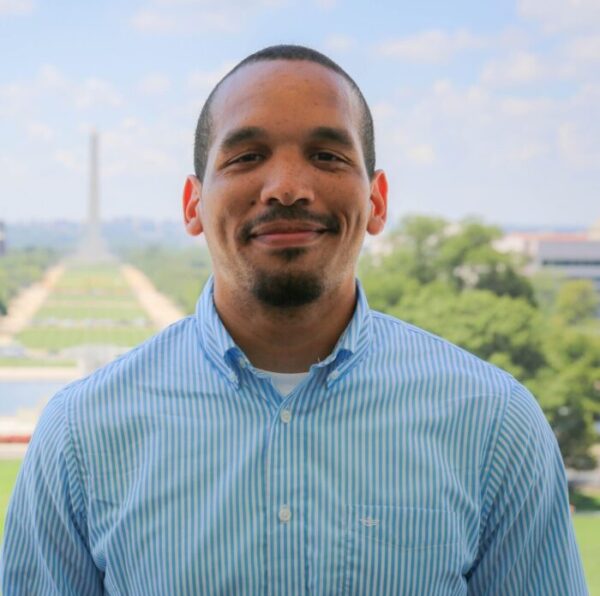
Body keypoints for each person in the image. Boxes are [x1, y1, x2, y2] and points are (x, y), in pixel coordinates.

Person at [1, 45, 587, 595]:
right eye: (247, 156)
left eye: (327, 155)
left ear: (377, 201)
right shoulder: (80, 436)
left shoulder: (493, 424)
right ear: (192, 205)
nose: (286, 188)